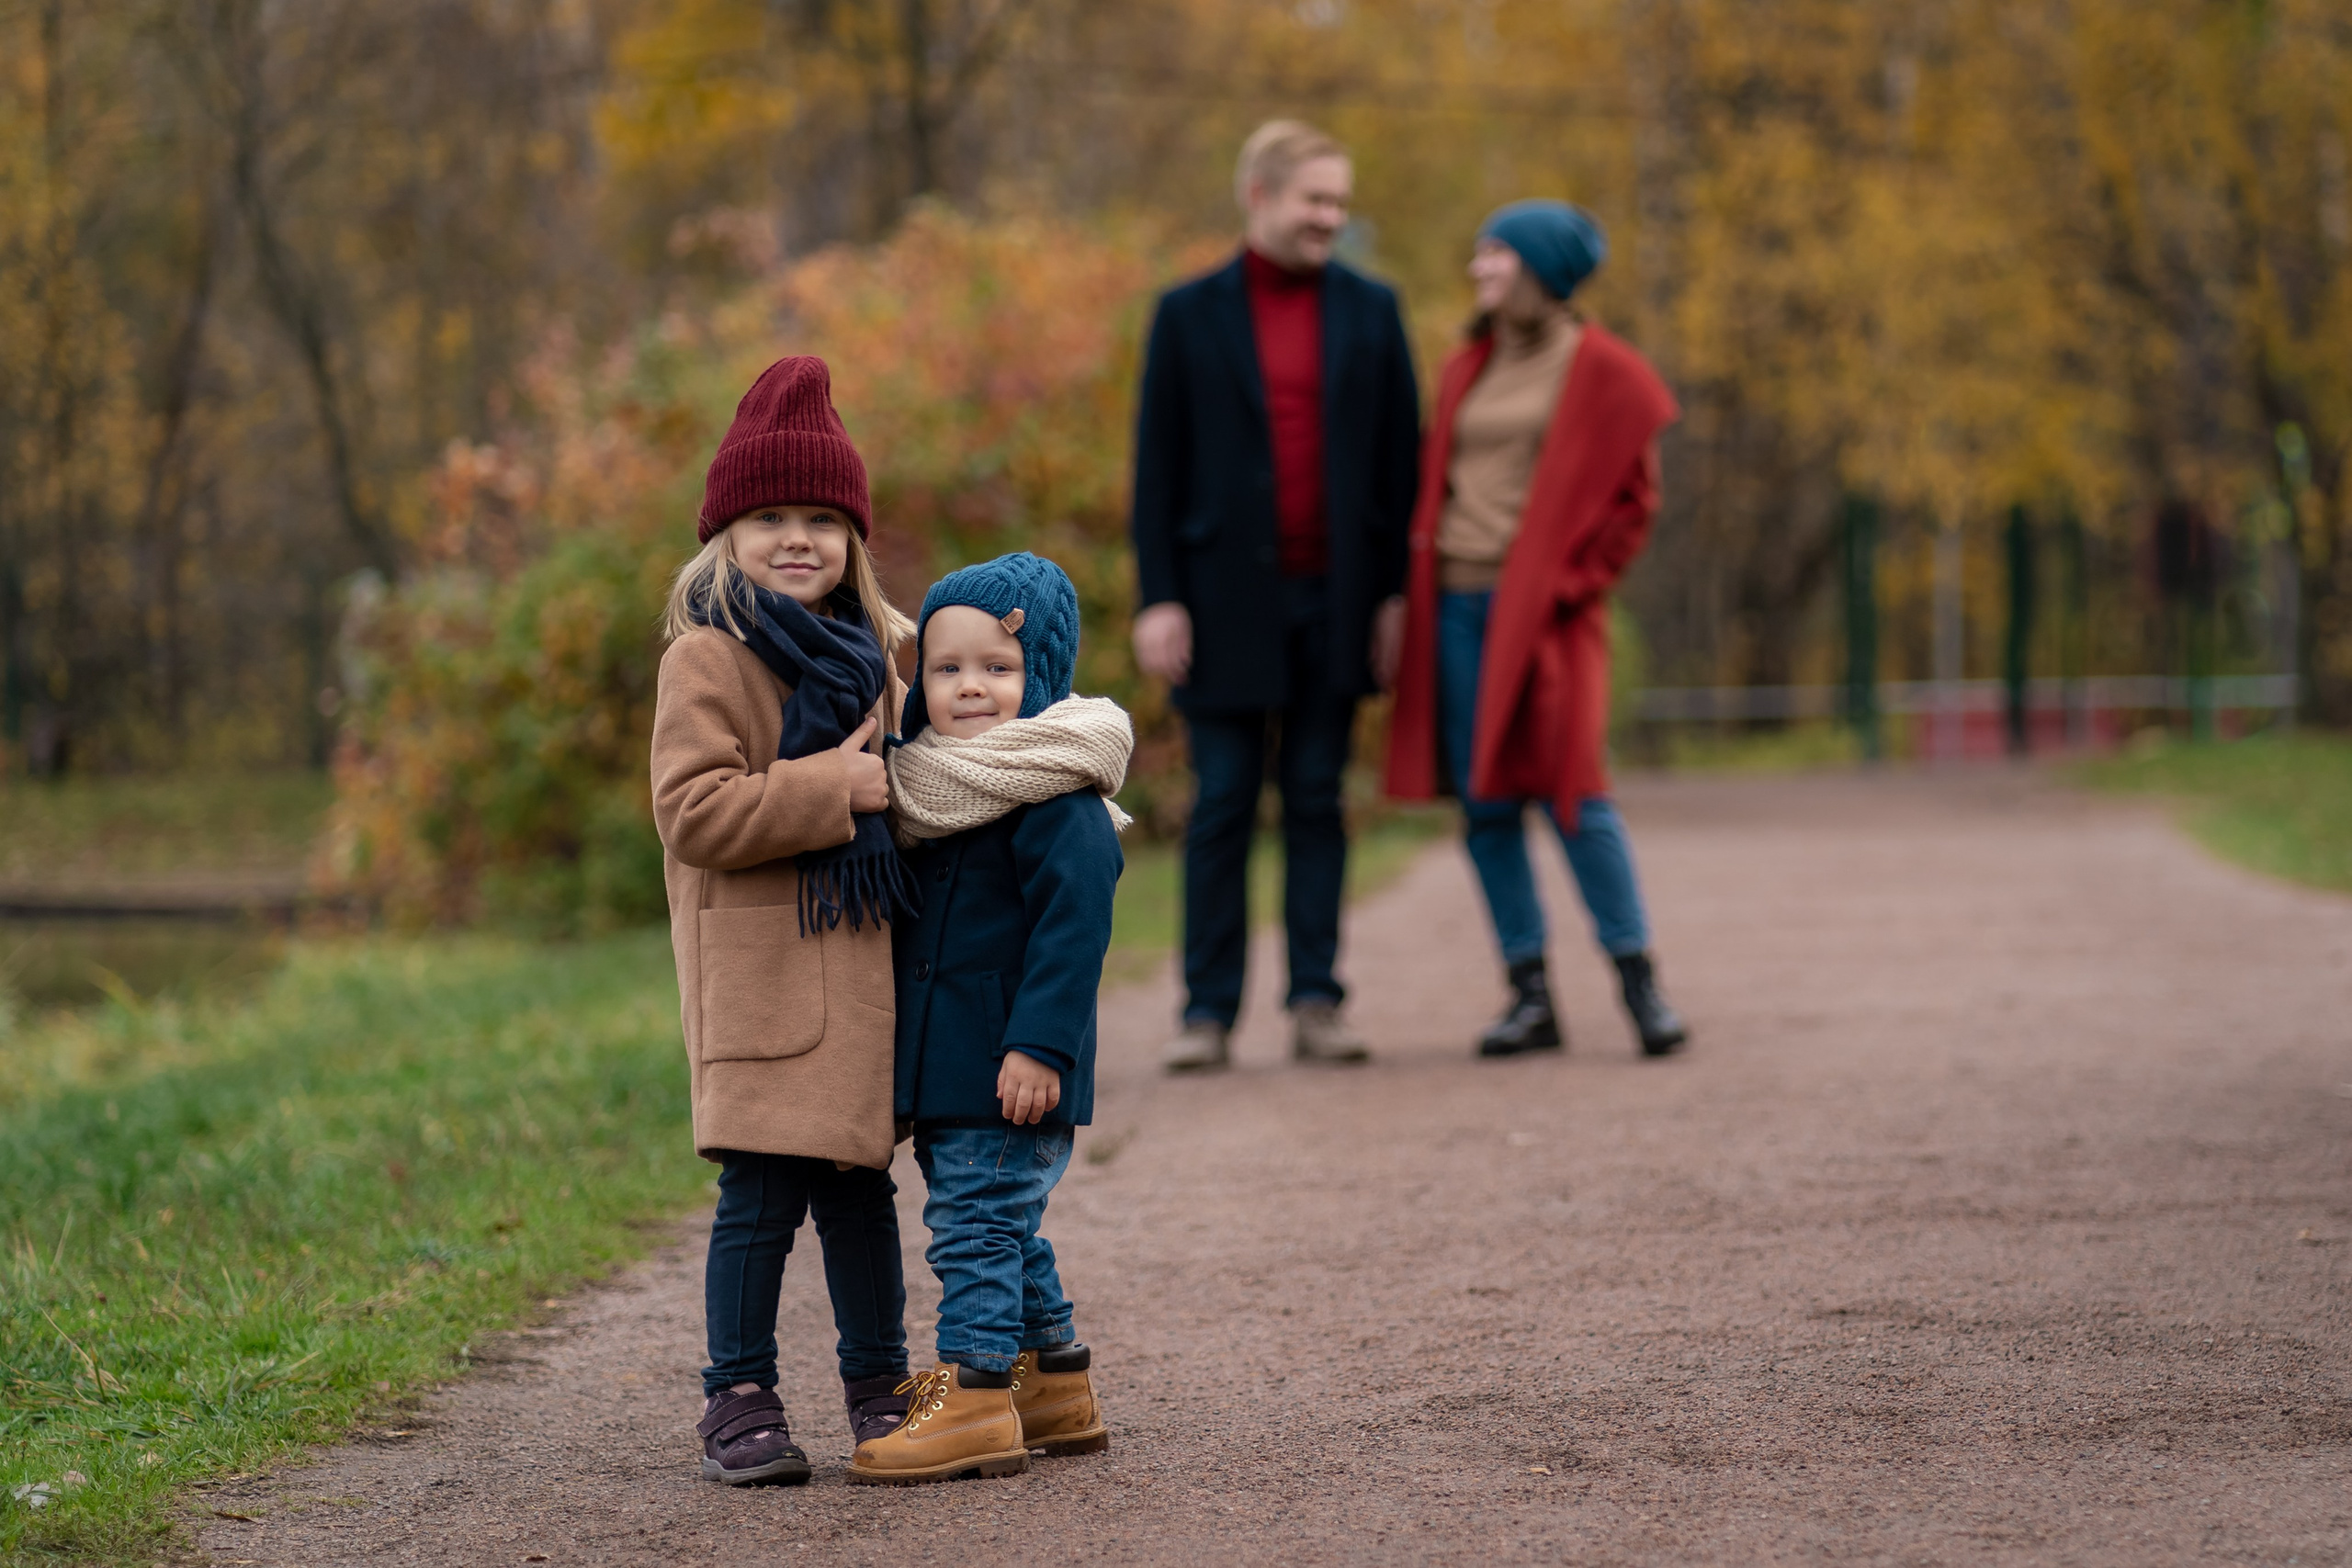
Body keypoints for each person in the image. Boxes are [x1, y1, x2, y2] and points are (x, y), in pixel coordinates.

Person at [650, 355, 920, 1486]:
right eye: (770, 516)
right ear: (727, 534)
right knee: (760, 1196)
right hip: (762, 979)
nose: (797, 537)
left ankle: (880, 1384)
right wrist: (832, 789)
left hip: (859, 977)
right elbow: (692, 811)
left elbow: (914, 795)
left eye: (821, 517)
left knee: (860, 1190)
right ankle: (738, 1395)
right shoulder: (707, 656)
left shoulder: (879, 662)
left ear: (854, 536)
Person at [1129, 119, 1421, 1073]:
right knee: (1221, 804)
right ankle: (1205, 1015)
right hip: (1218, 606)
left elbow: (1398, 470)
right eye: (1315, 201)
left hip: (1335, 604)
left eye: (1340, 202)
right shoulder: (1186, 314)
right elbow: (1157, 471)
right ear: (1259, 196)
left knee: (1316, 800)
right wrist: (1159, 598)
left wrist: (1390, 598)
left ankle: (1316, 1003)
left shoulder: (1373, 312)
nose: (1330, 218)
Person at [1382, 202, 1690, 1059]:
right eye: (1479, 253)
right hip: (1455, 608)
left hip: (1549, 620)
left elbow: (1636, 504)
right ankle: (1529, 995)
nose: (1479, 270)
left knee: (1575, 792)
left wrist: (1571, 584)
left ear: (1542, 272)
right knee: (1484, 802)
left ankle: (1640, 983)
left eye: (1497, 255)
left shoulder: (1607, 373)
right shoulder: (1464, 366)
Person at [849, 551, 1129, 1485]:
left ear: (1037, 676)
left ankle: (974, 1394)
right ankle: (1053, 1381)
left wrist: (1040, 1046)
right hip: (950, 1070)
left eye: (997, 669)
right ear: (918, 680)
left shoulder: (1054, 796)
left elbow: (1072, 934)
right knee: (1003, 1227)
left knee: (971, 1227)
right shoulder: (931, 790)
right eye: (948, 668)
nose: (971, 687)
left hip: (1012, 1066)